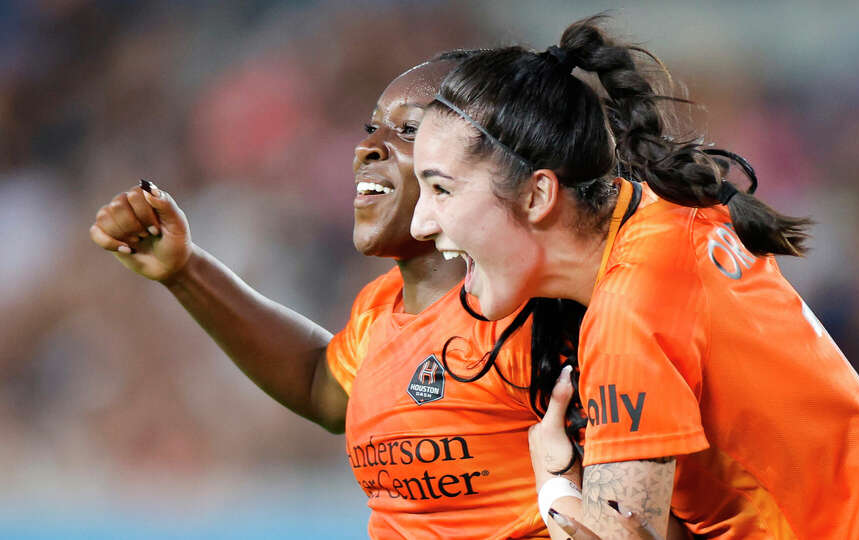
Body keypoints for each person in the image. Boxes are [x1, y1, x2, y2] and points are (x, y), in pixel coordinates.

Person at [410, 15, 859, 540]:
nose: (420, 223)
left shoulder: (629, 314)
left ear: (537, 194)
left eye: (441, 190)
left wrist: (554, 485)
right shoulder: (670, 211)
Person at [89, 55, 555, 539]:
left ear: (495, 160)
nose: (366, 149)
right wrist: (185, 270)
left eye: (409, 130)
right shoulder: (381, 309)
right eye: (370, 128)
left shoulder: (537, 314)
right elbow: (321, 385)